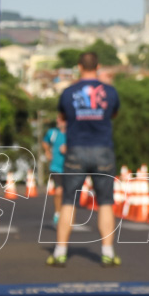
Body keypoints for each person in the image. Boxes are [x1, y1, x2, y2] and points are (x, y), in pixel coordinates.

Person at [47, 51, 122, 268]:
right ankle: (108, 252)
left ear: (79, 67)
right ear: (97, 66)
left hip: (75, 150)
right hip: (103, 150)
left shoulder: (68, 93)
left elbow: (62, 117)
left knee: (69, 201)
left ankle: (60, 252)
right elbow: (113, 115)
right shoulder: (109, 92)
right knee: (106, 202)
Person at [42, 112, 67, 225]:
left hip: (70, 168)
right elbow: (45, 142)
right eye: (57, 119)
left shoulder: (72, 134)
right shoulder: (52, 133)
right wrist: (47, 151)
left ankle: (65, 214)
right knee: (59, 191)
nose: (58, 121)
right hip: (56, 167)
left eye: (60, 119)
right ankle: (57, 214)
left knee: (68, 193)